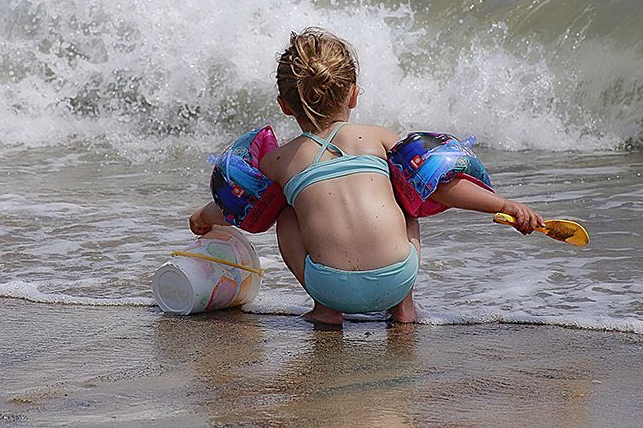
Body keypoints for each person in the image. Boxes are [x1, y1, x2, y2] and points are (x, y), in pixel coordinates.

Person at [189, 27, 544, 326]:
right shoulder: (378, 138)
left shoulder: (281, 160)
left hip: (331, 287)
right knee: (408, 196)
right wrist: (504, 205)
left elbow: (237, 205)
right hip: (396, 276)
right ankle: (404, 308)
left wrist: (203, 217)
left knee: (285, 213)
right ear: (353, 94)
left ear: (284, 105)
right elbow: (442, 187)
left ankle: (325, 311)